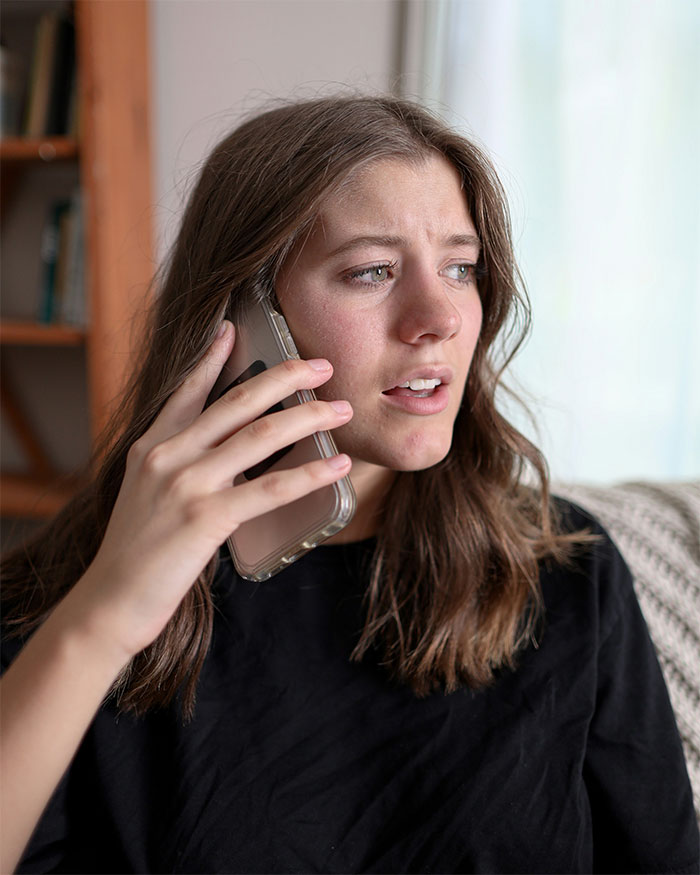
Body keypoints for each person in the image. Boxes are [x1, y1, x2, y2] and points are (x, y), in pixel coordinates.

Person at [1, 95, 698, 874]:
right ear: (242, 315)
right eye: (371, 271)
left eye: (460, 267)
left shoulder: (568, 571)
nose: (438, 317)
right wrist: (103, 616)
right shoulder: (71, 594)